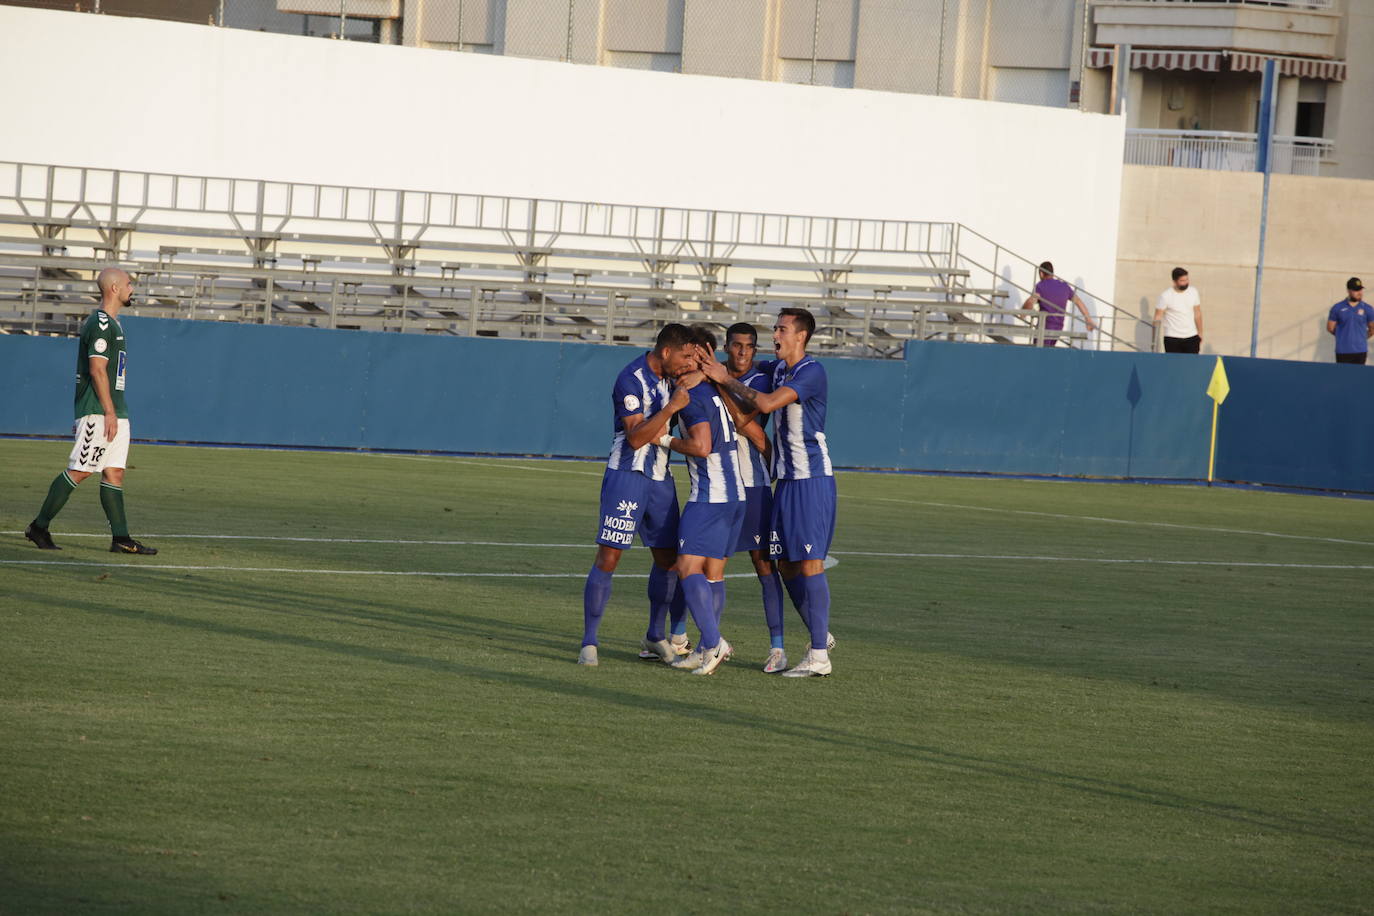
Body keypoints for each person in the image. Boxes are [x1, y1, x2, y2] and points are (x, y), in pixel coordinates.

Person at [700, 307, 837, 678]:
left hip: (811, 479)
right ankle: (819, 633)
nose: (775, 333)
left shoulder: (811, 372)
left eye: (781, 328)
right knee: (787, 565)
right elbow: (744, 363)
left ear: (801, 336)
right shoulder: (777, 369)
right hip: (786, 481)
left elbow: (763, 404)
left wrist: (723, 378)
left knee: (809, 565)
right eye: (775, 328)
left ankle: (819, 654)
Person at [579, 323, 701, 667]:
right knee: (609, 558)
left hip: (661, 480)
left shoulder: (675, 379)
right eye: (684, 355)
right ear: (666, 351)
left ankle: (654, 634)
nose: (687, 363)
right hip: (627, 478)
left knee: (670, 562)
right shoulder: (630, 379)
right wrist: (671, 407)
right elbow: (635, 437)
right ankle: (589, 642)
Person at [24, 267, 157, 555]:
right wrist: (107, 412)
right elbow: (97, 370)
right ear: (114, 289)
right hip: (99, 411)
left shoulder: (114, 324)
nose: (132, 289)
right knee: (82, 470)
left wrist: (115, 412)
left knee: (114, 473)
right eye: (129, 284)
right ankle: (38, 527)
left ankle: (121, 538)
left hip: (114, 411)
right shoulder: (100, 324)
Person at [662, 326, 748, 676]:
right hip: (734, 493)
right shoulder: (711, 388)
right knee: (713, 574)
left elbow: (700, 446)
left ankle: (714, 642)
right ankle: (704, 647)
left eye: (694, 354)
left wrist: (665, 440)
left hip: (711, 494)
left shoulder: (693, 394)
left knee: (686, 567)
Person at [717, 322, 791, 673]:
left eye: (749, 346)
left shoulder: (759, 383)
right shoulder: (712, 376)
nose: (743, 352)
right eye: (736, 345)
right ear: (726, 347)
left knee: (764, 566)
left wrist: (716, 381)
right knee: (702, 565)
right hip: (714, 485)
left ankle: (777, 647)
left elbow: (745, 421)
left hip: (753, 485)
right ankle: (696, 640)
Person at [1020, 261, 1096, 346]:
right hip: (1058, 327)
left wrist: (1023, 313)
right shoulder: (1064, 286)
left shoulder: (1040, 286)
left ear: (1041, 273)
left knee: (1039, 354)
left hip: (1045, 327)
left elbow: (1031, 301)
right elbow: (1078, 302)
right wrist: (1088, 319)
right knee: (1048, 352)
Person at [1154, 267, 1203, 354]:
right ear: (1174, 281)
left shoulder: (1193, 292)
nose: (1186, 283)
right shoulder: (1166, 296)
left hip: (1191, 337)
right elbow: (1157, 318)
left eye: (1187, 279)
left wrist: (1200, 333)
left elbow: (1197, 313)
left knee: (1192, 365)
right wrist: (1154, 342)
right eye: (1182, 280)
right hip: (1172, 338)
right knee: (1173, 366)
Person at [1326, 277, 1373, 365]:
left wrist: (1362, 337)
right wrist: (1342, 335)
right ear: (1348, 291)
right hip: (1343, 351)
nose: (1359, 293)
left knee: (1358, 377)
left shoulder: (1368, 308)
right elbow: (1330, 328)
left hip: (1360, 351)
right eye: (1356, 290)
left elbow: (1372, 328)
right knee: (1342, 377)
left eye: (1360, 290)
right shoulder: (1337, 308)